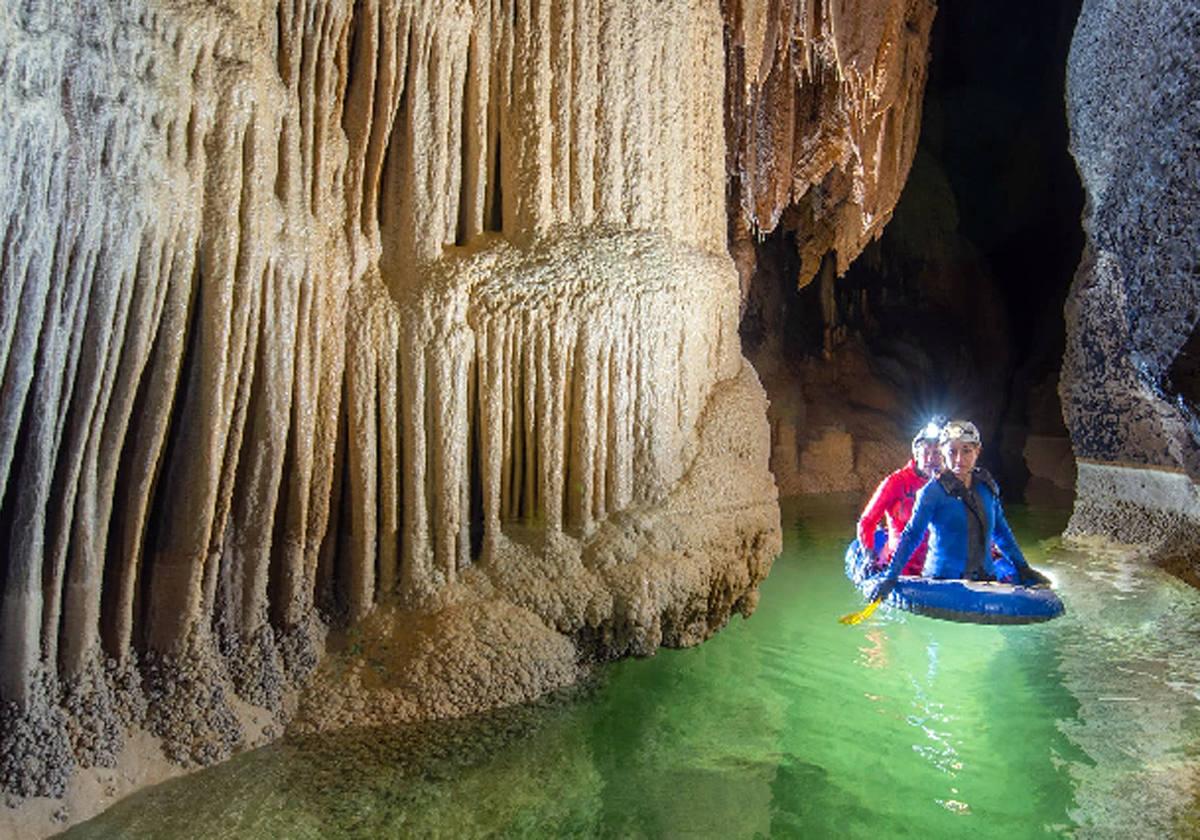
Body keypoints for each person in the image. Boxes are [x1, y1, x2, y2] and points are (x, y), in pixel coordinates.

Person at [867, 419, 1050, 602]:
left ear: (977, 451)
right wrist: (891, 576)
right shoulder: (932, 492)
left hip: (985, 579)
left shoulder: (987, 487)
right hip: (943, 584)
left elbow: (1001, 533)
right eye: (952, 451)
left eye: (966, 451)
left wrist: (1023, 568)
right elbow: (912, 535)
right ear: (943, 453)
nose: (959, 459)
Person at [856, 419, 945, 576]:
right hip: (903, 566)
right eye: (926, 452)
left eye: (937, 453)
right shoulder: (896, 482)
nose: (931, 459)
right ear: (916, 454)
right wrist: (869, 556)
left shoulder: (951, 483)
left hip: (940, 563)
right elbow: (867, 521)